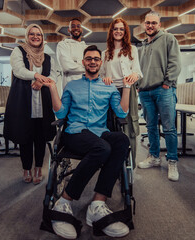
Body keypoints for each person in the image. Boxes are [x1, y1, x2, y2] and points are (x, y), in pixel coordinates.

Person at [43, 45, 131, 239]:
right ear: (83, 62)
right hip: (75, 133)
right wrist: (52, 88)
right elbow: (60, 113)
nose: (92, 61)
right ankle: (64, 201)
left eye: (96, 59)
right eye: (89, 58)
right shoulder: (72, 86)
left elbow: (122, 113)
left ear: (101, 63)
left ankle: (97, 204)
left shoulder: (108, 86)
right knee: (102, 147)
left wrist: (126, 87)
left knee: (121, 140)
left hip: (99, 133)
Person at [4, 24, 57, 185]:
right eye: (32, 34)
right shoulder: (18, 51)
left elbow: (53, 75)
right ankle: (26, 168)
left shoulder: (48, 57)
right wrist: (36, 76)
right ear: (27, 36)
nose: (35, 37)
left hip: (43, 101)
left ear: (42, 38)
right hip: (23, 100)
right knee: (25, 137)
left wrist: (41, 82)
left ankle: (38, 168)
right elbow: (18, 70)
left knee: (40, 137)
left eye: (39, 34)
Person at [137, 11, 181, 181]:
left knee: (169, 128)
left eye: (154, 23)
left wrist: (167, 83)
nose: (150, 26)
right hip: (145, 92)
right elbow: (139, 70)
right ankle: (154, 157)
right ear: (144, 25)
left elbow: (175, 63)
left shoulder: (169, 39)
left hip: (163, 90)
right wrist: (139, 86)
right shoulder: (143, 46)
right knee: (151, 127)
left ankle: (172, 161)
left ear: (159, 25)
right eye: (148, 23)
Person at [100, 18, 142, 169]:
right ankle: (113, 165)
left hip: (127, 90)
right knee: (111, 125)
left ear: (125, 32)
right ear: (111, 32)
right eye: (115, 29)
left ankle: (130, 164)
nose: (118, 31)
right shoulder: (105, 53)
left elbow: (138, 72)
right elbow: (101, 74)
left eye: (121, 29)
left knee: (129, 126)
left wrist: (134, 76)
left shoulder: (132, 49)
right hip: (110, 92)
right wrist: (104, 78)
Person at [56, 18, 88, 89]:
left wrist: (75, 63)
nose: (76, 28)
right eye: (73, 26)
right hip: (69, 88)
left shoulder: (87, 48)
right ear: (69, 30)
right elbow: (66, 67)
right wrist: (86, 68)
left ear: (81, 29)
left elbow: (94, 67)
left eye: (78, 26)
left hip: (86, 88)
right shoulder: (63, 45)